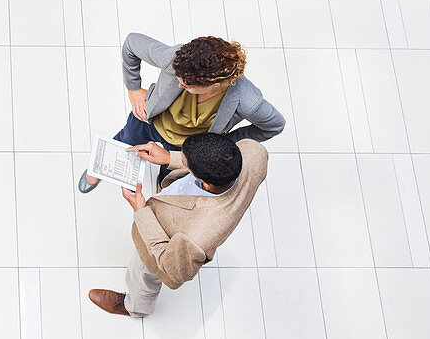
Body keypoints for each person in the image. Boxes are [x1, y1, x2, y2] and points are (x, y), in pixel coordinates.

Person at [88, 133, 268, 318]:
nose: (182, 160)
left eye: (186, 162)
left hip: (156, 247)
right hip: (178, 205)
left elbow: (170, 267)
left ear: (205, 183)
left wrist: (140, 210)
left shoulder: (198, 238)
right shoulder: (254, 152)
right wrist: (168, 157)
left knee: (143, 276)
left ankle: (135, 307)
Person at [79, 33, 284, 193]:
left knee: (170, 174)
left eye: (185, 84)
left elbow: (274, 125)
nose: (178, 83)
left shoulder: (249, 100)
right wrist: (133, 89)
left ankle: (162, 188)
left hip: (188, 144)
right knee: (125, 140)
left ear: (213, 85)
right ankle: (101, 168)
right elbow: (132, 43)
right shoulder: (175, 58)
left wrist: (229, 140)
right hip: (149, 118)